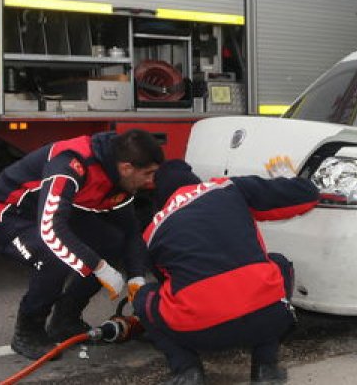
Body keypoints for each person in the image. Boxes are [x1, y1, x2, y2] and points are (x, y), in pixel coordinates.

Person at [0, 128, 163, 359]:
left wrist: (136, 278)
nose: (151, 181)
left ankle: (65, 319)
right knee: (54, 255)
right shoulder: (70, 164)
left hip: (44, 214)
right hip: (3, 215)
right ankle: (28, 331)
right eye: (148, 173)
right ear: (127, 168)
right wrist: (98, 267)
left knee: (112, 240)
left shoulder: (121, 178)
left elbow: (131, 231)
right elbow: (51, 231)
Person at [135, 157, 319, 385]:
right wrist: (290, 178)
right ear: (195, 180)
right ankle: (265, 368)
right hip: (265, 319)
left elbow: (167, 283)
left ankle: (187, 370)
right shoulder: (227, 188)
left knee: (144, 296)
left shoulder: (153, 229)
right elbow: (307, 195)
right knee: (279, 263)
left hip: (200, 333)